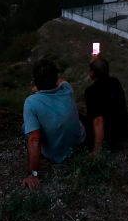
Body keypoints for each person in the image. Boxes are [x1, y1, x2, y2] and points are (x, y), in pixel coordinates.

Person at [21, 58, 86, 189]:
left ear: (35, 81)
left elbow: (34, 140)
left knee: (26, 129)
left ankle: (33, 171)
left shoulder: (31, 102)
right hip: (79, 144)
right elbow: (61, 80)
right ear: (56, 79)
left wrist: (32, 174)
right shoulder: (66, 88)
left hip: (56, 155)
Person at [82, 56, 128, 156]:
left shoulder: (91, 91)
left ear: (92, 73)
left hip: (109, 135)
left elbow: (98, 120)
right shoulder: (115, 82)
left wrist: (96, 150)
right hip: (122, 130)